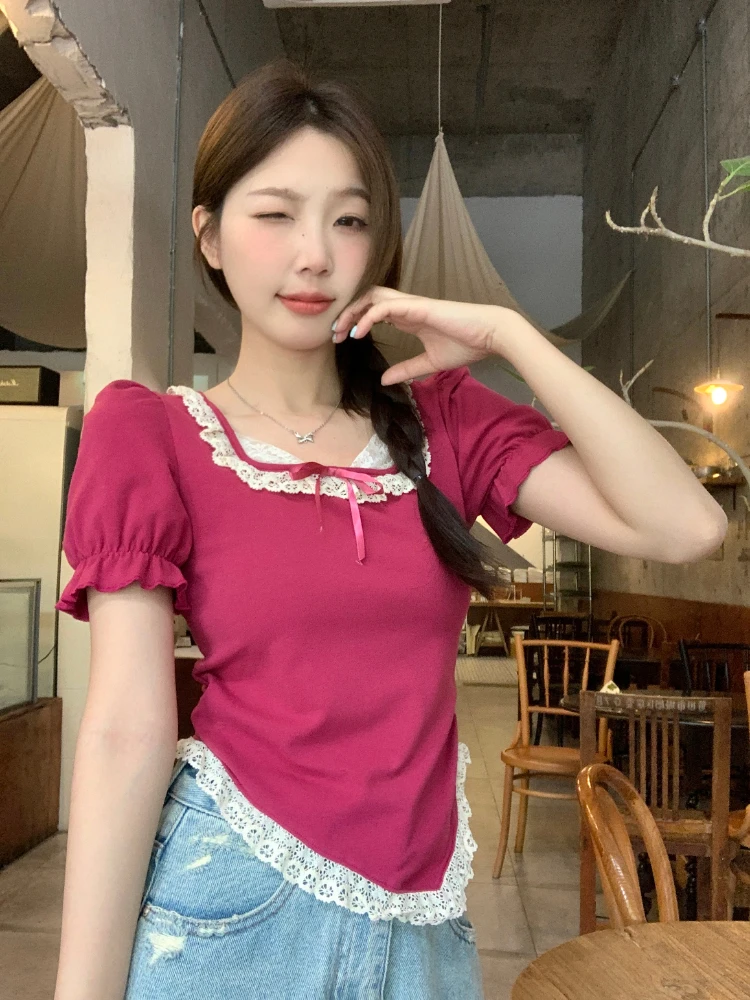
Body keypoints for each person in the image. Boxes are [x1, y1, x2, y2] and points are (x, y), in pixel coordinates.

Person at [52, 58, 727, 1000]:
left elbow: (687, 526)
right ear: (209, 235)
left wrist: (509, 335)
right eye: (275, 214)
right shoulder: (151, 433)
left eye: (349, 220)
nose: (314, 255)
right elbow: (126, 729)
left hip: (422, 929)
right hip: (228, 909)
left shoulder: (444, 421)